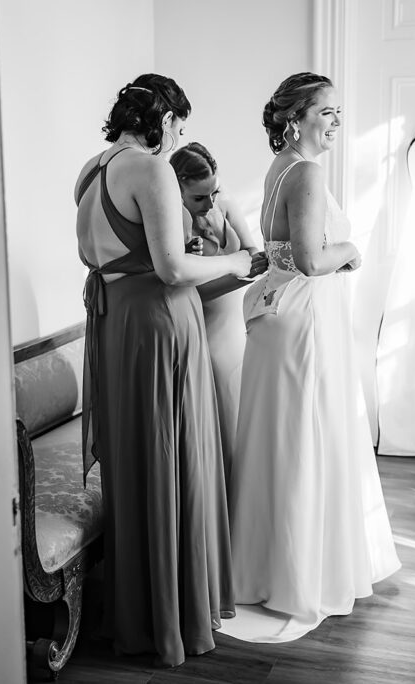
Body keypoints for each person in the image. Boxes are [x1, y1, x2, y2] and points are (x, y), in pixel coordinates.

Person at [74, 73, 251, 667]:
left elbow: (113, 258)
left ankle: (139, 609)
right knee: (176, 460)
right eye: (179, 126)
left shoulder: (91, 172)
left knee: (138, 463)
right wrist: (237, 259)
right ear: (166, 120)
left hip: (116, 324)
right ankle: (173, 616)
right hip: (157, 326)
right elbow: (173, 269)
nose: (179, 138)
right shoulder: (151, 170)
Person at [220, 72, 401, 644]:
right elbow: (311, 258)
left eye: (339, 111)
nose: (337, 121)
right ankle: (300, 577)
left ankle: (267, 567)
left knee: (285, 438)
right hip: (303, 322)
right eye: (327, 111)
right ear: (296, 118)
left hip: (282, 315)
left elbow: (284, 253)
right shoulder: (306, 172)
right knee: (305, 438)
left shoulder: (282, 170)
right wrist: (353, 250)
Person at [169, 143, 266, 492]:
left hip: (236, 333)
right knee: (221, 432)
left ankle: (242, 518)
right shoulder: (170, 220)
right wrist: (232, 270)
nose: (209, 203)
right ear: (177, 187)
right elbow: (186, 294)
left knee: (242, 428)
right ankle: (219, 519)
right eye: (199, 198)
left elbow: (255, 254)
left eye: (214, 191)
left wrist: (224, 235)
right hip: (204, 337)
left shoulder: (221, 203)